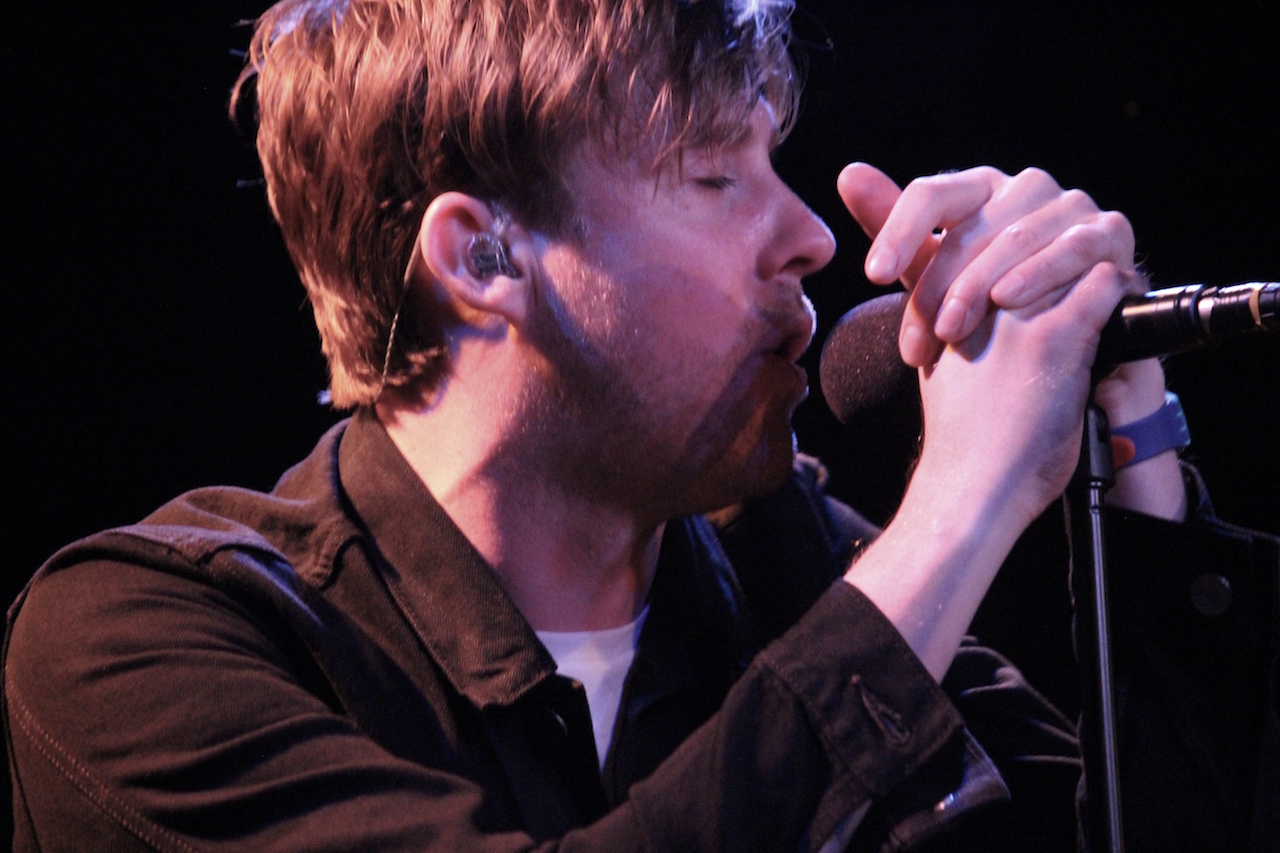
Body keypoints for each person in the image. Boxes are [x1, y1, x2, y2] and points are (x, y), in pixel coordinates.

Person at [4, 0, 1275, 850]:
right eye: (714, 174)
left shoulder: (797, 564)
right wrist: (961, 505)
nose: (809, 236)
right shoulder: (137, 642)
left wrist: (1131, 434)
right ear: (483, 256)